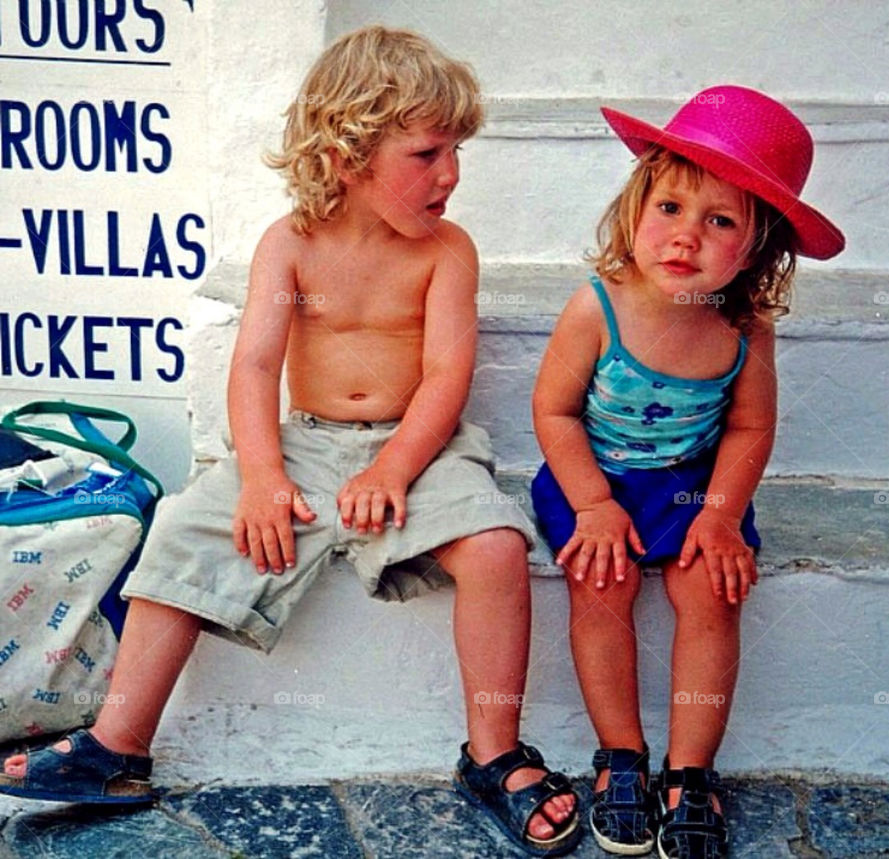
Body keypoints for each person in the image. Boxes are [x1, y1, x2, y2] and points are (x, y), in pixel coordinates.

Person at [0, 26, 580, 857]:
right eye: (427, 153)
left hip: (420, 445)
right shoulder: (291, 244)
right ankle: (115, 746)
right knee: (180, 527)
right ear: (348, 155)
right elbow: (254, 366)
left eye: (457, 152)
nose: (450, 174)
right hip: (303, 443)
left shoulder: (448, 252)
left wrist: (393, 464)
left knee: (492, 547)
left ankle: (493, 753)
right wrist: (263, 477)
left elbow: (447, 375)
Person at [531, 86, 844, 857]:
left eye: (720, 221)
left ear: (757, 248)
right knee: (601, 581)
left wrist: (721, 513)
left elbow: (749, 424)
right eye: (669, 208)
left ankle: (691, 772)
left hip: (691, 485)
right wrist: (595, 506)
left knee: (712, 586)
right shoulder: (597, 306)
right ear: (635, 210)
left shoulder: (742, 328)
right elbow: (554, 413)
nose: (685, 236)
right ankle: (621, 760)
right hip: (592, 476)